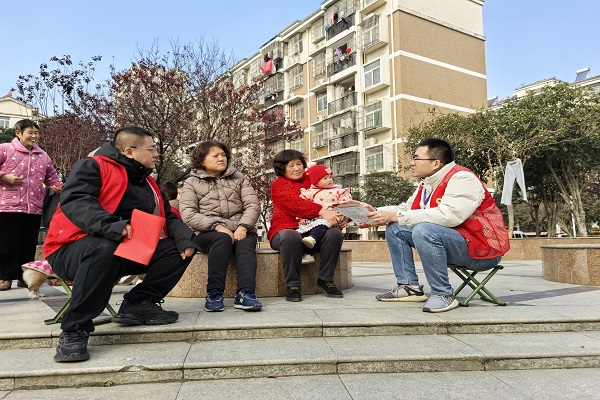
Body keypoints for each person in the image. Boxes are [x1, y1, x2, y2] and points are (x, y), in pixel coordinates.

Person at [43, 125, 198, 362]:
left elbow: (167, 216)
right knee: (103, 247)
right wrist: (113, 225)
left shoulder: (149, 182)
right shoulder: (93, 166)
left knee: (179, 249)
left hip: (124, 250)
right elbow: (77, 201)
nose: (156, 154)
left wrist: (185, 238)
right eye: (151, 149)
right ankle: (74, 329)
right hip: (71, 249)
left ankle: (138, 303)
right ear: (129, 151)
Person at [363, 138, 510, 313]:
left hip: (482, 250)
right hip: (457, 241)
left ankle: (443, 294)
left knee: (423, 230)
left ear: (435, 163)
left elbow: (450, 216)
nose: (412, 163)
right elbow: (406, 209)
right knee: (395, 229)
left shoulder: (462, 178)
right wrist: (374, 212)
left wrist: (396, 216)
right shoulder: (427, 183)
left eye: (416, 158)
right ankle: (409, 287)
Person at [180, 140, 262, 312]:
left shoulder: (239, 178)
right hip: (207, 232)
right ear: (202, 161)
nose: (221, 158)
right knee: (222, 239)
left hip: (239, 228)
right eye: (215, 156)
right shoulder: (191, 182)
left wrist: (243, 227)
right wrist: (216, 226)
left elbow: (252, 205)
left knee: (246, 243)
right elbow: (188, 213)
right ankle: (214, 293)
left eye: (223, 155)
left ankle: (246, 293)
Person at [268, 150, 345, 302]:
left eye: (299, 164)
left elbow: (333, 197)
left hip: (315, 230)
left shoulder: (313, 180)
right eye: (291, 165)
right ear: (282, 168)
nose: (297, 168)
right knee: (291, 236)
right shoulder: (279, 185)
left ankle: (326, 279)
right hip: (286, 231)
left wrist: (341, 217)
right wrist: (321, 211)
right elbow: (295, 204)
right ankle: (293, 285)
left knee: (334, 234)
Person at [0, 119, 62, 291]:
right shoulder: (5, 149)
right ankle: (5, 277)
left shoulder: (43, 155)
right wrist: (4, 177)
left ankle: (24, 278)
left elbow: (51, 176)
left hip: (33, 207)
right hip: (8, 206)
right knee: (7, 244)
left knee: (29, 244)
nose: (34, 136)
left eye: (36, 133)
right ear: (18, 133)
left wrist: (56, 186)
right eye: (30, 132)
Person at [297, 164, 352, 258]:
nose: (329, 180)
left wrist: (343, 215)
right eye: (325, 178)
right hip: (313, 219)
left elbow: (346, 203)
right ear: (316, 182)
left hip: (332, 219)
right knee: (302, 232)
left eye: (330, 177)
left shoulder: (338, 191)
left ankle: (313, 238)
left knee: (323, 225)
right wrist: (301, 217)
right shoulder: (310, 192)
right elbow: (302, 205)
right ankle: (307, 253)